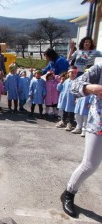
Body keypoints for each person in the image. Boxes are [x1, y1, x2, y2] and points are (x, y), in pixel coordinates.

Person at [61, 62, 102, 218]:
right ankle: (68, 193)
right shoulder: (99, 68)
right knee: (90, 165)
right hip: (98, 122)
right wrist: (92, 88)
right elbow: (75, 85)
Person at [56, 67, 78, 131]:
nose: (73, 74)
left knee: (71, 112)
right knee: (64, 111)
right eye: (72, 72)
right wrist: (61, 82)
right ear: (68, 73)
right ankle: (63, 121)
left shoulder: (77, 81)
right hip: (65, 99)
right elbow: (59, 89)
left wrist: (77, 98)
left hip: (72, 99)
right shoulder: (66, 81)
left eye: (75, 73)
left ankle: (70, 123)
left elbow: (78, 91)